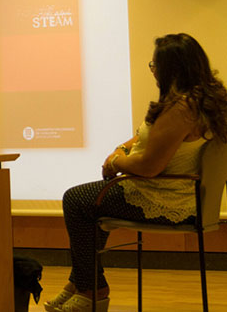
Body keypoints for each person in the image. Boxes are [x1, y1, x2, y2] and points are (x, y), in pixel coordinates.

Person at [45, 33, 227, 312]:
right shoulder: (203, 100)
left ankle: (92, 290)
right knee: (90, 202)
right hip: (181, 195)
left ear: (171, 69)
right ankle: (81, 281)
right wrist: (123, 148)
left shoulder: (181, 108)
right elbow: (152, 139)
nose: (153, 71)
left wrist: (115, 163)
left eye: (155, 65)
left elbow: (149, 167)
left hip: (164, 198)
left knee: (76, 199)